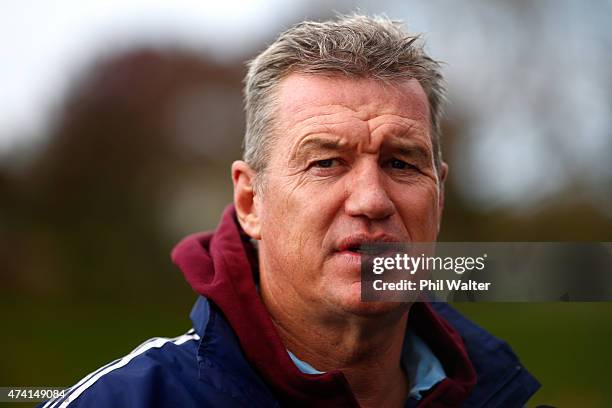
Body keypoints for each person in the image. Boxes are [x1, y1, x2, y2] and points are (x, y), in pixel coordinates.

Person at [41, 14, 539, 408]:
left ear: (440, 195)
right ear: (249, 202)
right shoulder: (126, 401)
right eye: (326, 162)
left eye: (401, 162)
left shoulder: (495, 393)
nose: (371, 200)